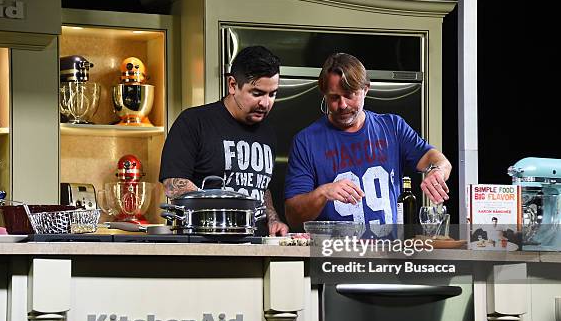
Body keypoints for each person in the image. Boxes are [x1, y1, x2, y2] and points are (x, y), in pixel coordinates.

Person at [284, 53, 452, 232]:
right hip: (332, 255)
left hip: (388, 254)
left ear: (365, 89)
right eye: (334, 97)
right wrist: (323, 192)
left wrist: (437, 171)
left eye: (349, 95)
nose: (342, 105)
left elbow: (439, 160)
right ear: (324, 94)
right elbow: (294, 217)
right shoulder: (306, 141)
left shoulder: (393, 127)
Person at [159, 46, 288, 236]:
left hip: (256, 248)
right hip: (205, 247)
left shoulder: (268, 132)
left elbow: (260, 185)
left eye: (272, 94)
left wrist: (273, 218)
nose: (265, 103)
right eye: (257, 93)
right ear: (233, 85)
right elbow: (173, 184)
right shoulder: (194, 122)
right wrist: (222, 206)